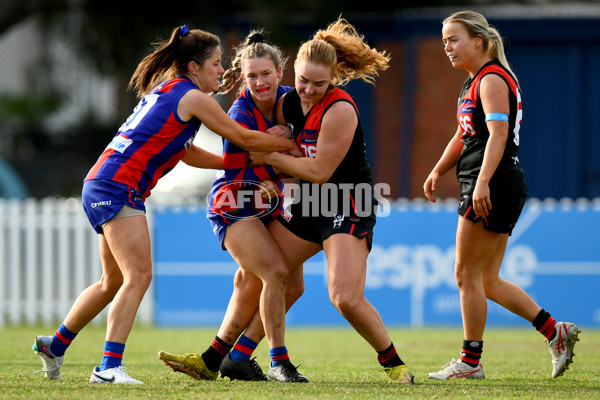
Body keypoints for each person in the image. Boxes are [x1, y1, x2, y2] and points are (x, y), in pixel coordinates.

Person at [31, 24, 295, 385]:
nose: (222, 70)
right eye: (216, 64)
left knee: (112, 282)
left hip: (100, 182)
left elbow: (186, 154)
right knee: (138, 277)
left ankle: (54, 345)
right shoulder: (193, 97)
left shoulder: (170, 90)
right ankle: (108, 369)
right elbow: (242, 136)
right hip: (118, 186)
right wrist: (291, 145)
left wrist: (240, 161)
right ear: (193, 68)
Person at [247, 17, 414, 384]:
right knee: (263, 272)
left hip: (346, 201)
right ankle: (232, 355)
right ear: (293, 71)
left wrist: (272, 157)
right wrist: (279, 142)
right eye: (303, 80)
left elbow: (321, 171)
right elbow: (286, 145)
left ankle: (394, 364)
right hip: (309, 201)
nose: (307, 90)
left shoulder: (340, 109)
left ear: (334, 78)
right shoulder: (288, 101)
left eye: (319, 84)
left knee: (344, 297)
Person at [423, 10, 580, 380]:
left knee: (465, 274)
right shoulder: (474, 81)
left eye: (453, 38)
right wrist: (438, 169)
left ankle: (469, 362)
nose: (447, 46)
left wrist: (481, 183)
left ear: (478, 40)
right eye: (444, 40)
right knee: (487, 280)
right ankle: (554, 332)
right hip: (495, 182)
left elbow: (498, 135)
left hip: (492, 183)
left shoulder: (491, 78)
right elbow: (465, 135)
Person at [157, 30, 309, 383]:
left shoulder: (293, 101)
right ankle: (278, 362)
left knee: (286, 284)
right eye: (252, 76)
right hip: (236, 202)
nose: (260, 82)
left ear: (279, 72)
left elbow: (304, 148)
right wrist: (285, 151)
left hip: (270, 203)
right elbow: (247, 165)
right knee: (275, 274)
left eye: (266, 74)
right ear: (243, 78)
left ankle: (227, 358)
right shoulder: (239, 112)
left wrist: (286, 147)